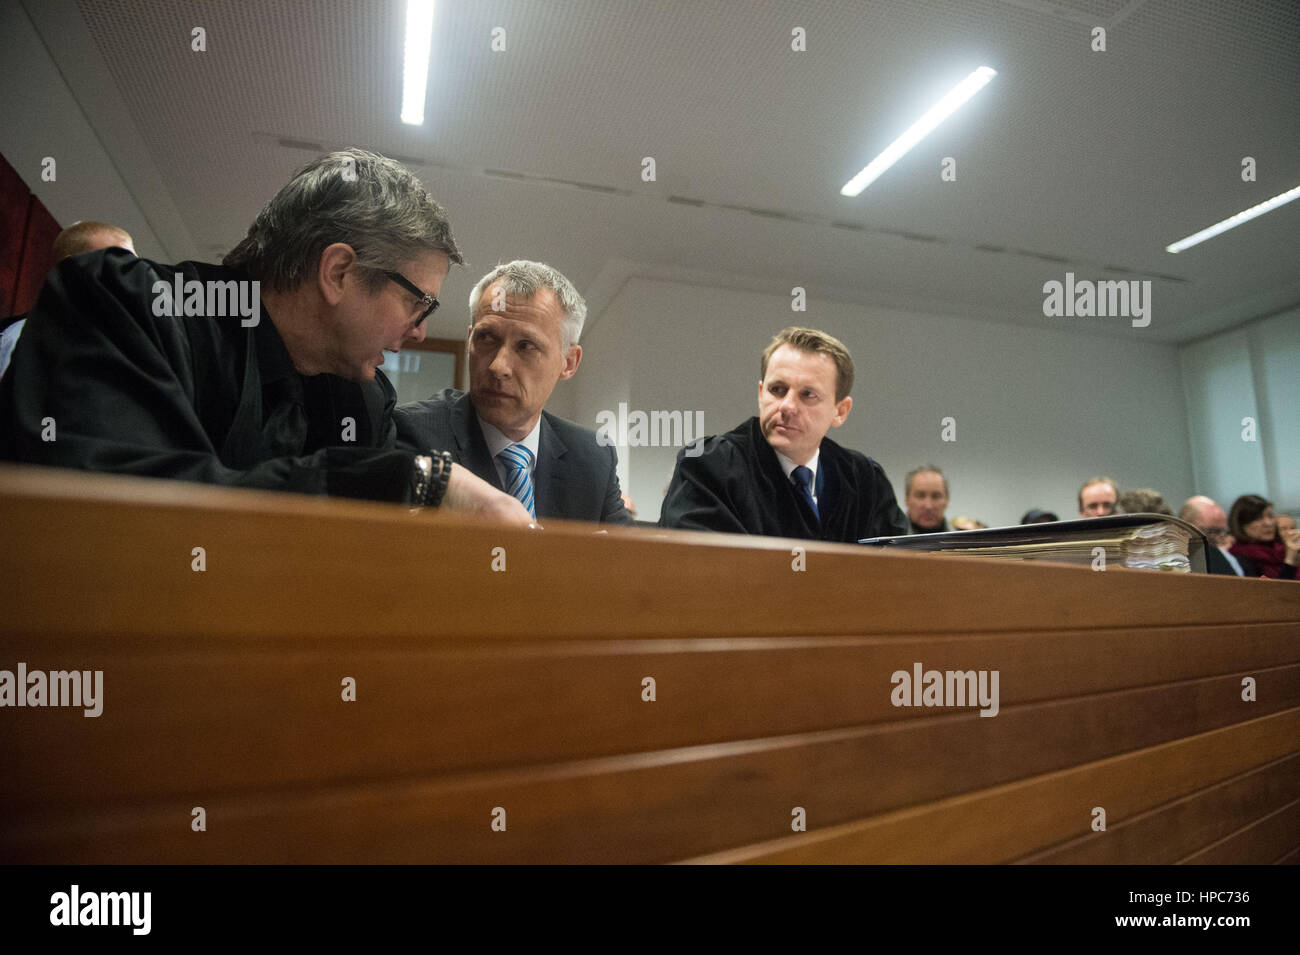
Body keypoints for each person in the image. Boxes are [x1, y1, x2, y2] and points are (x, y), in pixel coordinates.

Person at [0, 148, 529, 524]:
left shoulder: (364, 399)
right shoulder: (123, 305)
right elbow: (111, 519)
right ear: (339, 272)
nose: (421, 328)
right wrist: (387, 482)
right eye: (419, 301)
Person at [394, 260, 630, 524]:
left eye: (526, 346)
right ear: (470, 339)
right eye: (486, 338)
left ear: (569, 363)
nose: (498, 366)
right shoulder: (409, 433)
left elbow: (633, 558)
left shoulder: (592, 458)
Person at [658, 326, 906, 541]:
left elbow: (903, 573)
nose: (787, 405)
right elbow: (704, 574)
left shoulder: (865, 479)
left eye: (808, 394)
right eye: (777, 389)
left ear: (840, 411)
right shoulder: (708, 465)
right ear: (760, 394)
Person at [0, 220, 137, 380]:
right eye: (115, 262)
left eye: (132, 267)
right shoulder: (24, 337)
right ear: (72, 269)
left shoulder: (123, 354)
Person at [1179, 495, 1255, 576]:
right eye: (1212, 532)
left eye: (1223, 532)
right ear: (1188, 526)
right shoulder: (1179, 556)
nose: (1219, 538)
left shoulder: (1237, 554)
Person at [1228, 495, 1299, 580]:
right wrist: (1290, 561)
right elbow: (1275, 591)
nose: (1268, 523)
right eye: (1258, 518)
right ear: (1242, 524)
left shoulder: (1281, 549)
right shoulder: (1238, 558)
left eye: (1270, 516)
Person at [904, 465, 950, 534]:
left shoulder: (965, 541)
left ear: (946, 501)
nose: (928, 506)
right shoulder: (887, 539)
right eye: (920, 496)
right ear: (907, 500)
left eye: (936, 496)